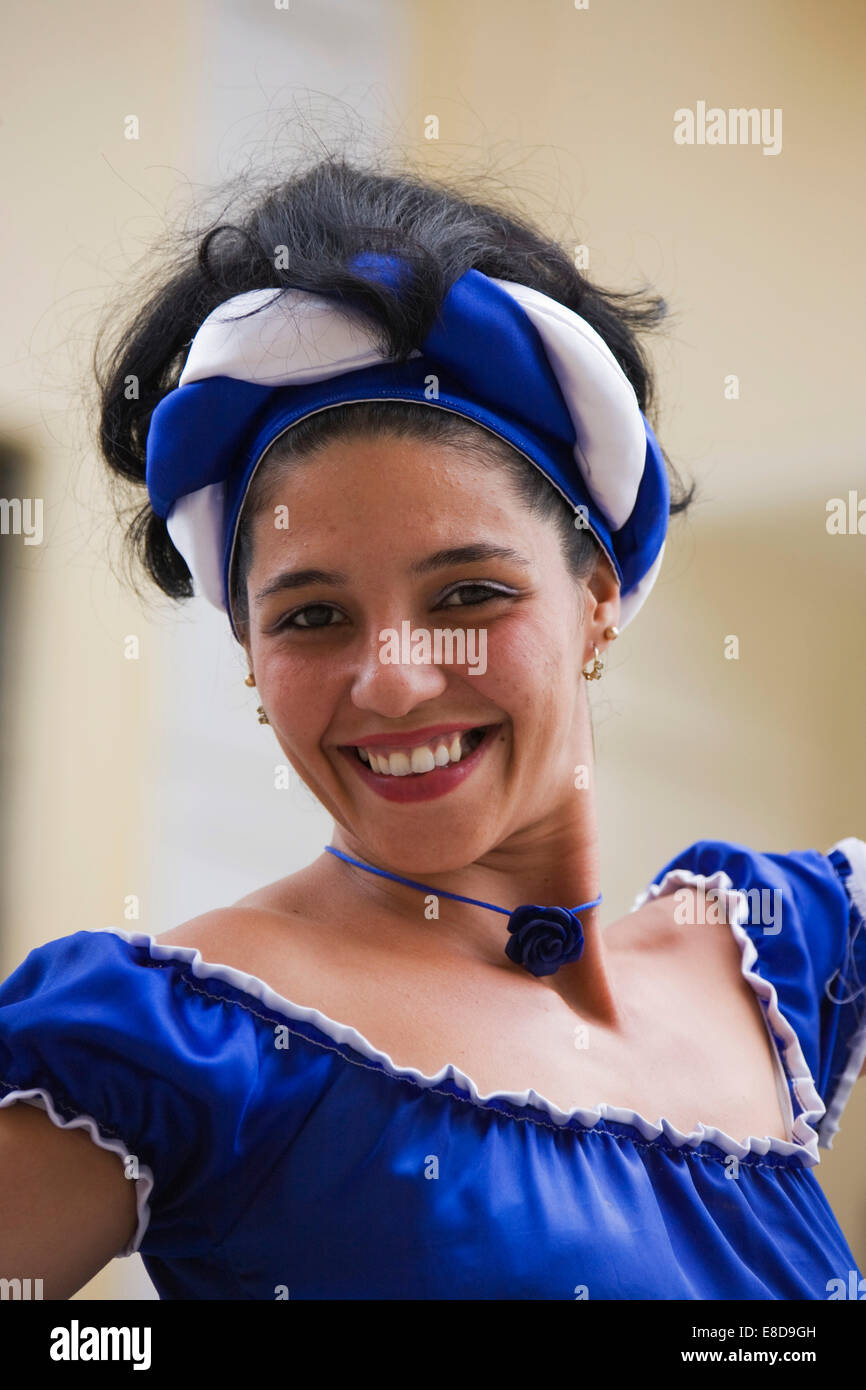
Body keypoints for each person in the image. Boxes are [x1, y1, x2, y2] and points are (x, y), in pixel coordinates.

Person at [1, 158, 864, 1301]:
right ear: (252, 655)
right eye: (312, 616)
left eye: (467, 595)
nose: (395, 684)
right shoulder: (172, 1042)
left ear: (597, 591)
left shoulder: (776, 958)